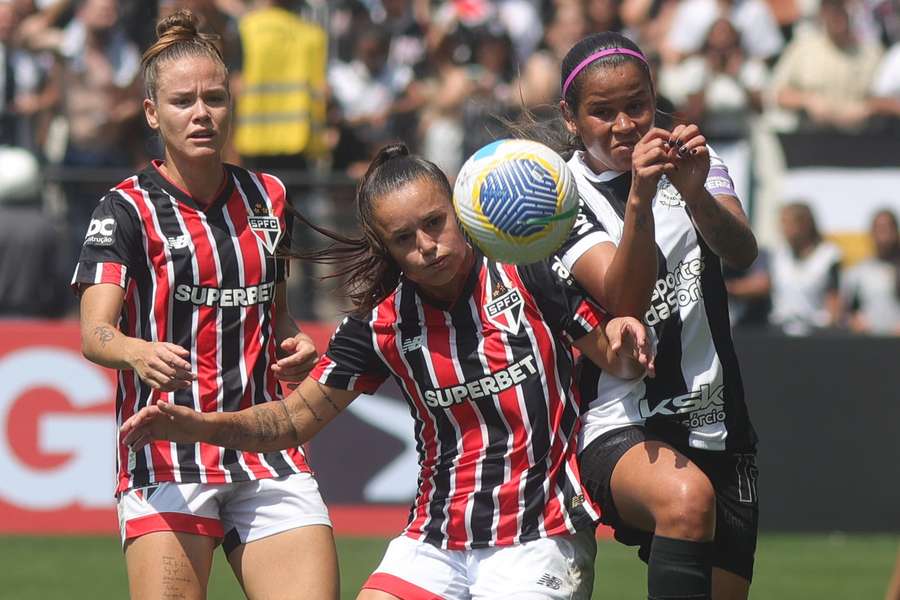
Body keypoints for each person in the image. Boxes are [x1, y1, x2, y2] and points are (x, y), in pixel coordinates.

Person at [120, 142, 656, 599]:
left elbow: (617, 357)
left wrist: (620, 334)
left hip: (540, 532)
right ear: (388, 249)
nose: (426, 247)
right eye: (404, 238)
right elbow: (290, 422)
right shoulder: (381, 325)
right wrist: (198, 425)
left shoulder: (528, 272)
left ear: (458, 208)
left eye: (434, 223)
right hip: (435, 539)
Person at [72, 10, 338, 599]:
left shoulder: (270, 196)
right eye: (183, 101)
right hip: (166, 456)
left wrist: (295, 342)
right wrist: (135, 350)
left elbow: (276, 314)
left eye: (214, 98)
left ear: (231, 103)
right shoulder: (125, 211)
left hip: (266, 452)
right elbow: (96, 333)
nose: (201, 113)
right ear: (152, 113)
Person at [550, 32, 761, 600]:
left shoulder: (696, 157)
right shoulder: (557, 196)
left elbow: (740, 253)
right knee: (686, 499)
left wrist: (695, 195)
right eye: (602, 112)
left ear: (655, 98)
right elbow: (623, 300)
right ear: (570, 118)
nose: (624, 124)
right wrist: (642, 196)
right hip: (620, 421)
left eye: (636, 105)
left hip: (718, 421)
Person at [770, 202, 842, 335]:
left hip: (815, 335)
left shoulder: (828, 256)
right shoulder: (779, 255)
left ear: (805, 224)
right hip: (780, 333)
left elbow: (834, 299)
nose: (783, 230)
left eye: (787, 224)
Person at [840, 209, 900, 335]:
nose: (884, 235)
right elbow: (847, 311)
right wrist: (855, 322)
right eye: (879, 229)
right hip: (868, 343)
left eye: (888, 229)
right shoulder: (858, 272)